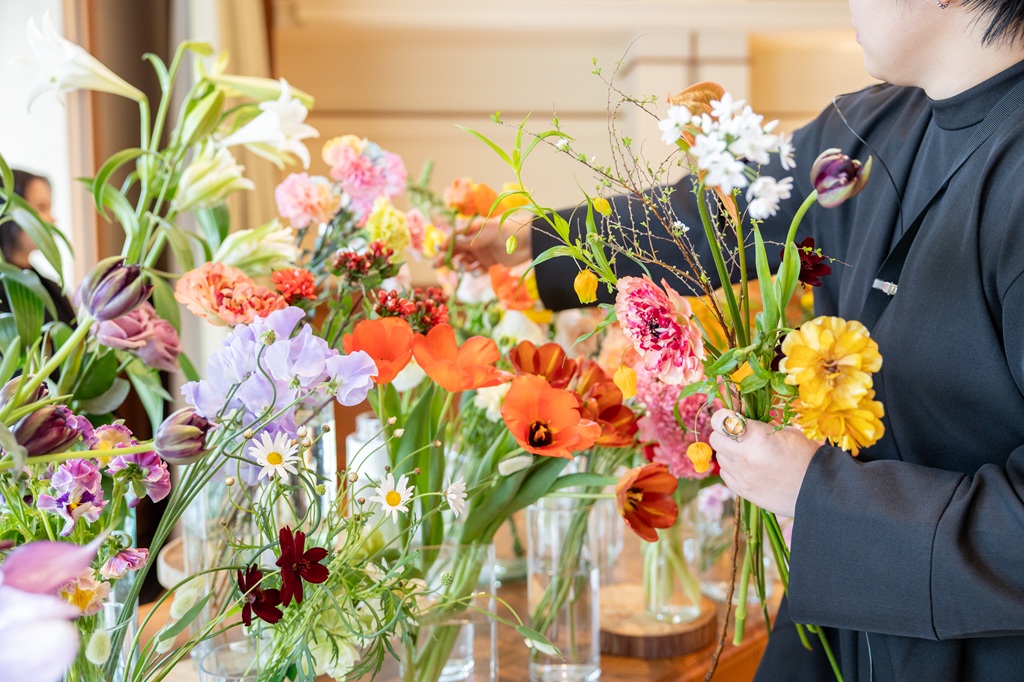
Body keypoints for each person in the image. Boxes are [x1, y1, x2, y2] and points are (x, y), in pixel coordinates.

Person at [454, 1, 1024, 679]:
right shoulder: (868, 131)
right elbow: (718, 220)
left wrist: (818, 494)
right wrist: (535, 241)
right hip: (841, 616)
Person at [0, 169, 76, 325]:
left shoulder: (53, 291)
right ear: (9, 211)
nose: (52, 219)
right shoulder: (5, 294)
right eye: (41, 207)